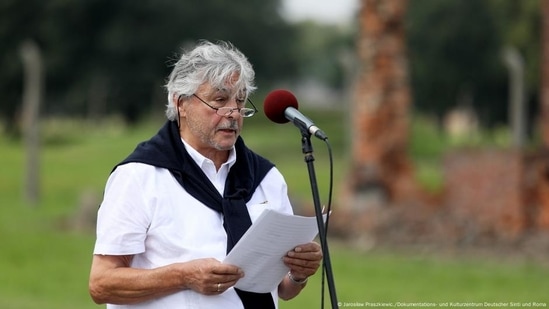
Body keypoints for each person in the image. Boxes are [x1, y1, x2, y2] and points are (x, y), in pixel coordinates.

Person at [88, 40, 323, 308]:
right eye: (220, 100)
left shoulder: (266, 177)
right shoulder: (140, 176)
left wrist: (298, 273)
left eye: (240, 100)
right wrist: (183, 276)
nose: (233, 112)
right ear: (180, 104)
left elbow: (281, 289)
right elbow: (102, 284)